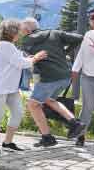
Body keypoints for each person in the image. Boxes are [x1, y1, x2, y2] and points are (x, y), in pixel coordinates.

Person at [0, 19, 47, 153]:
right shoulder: (5, 45)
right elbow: (21, 63)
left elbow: (18, 61)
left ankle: (7, 142)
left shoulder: (9, 46)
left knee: (18, 113)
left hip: (10, 87)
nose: (20, 32)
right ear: (13, 32)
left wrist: (29, 58)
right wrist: (35, 58)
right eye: (19, 30)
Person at [20, 17, 84, 146]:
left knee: (33, 105)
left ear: (27, 30)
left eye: (22, 30)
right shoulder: (55, 32)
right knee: (49, 100)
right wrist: (65, 51)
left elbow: (31, 61)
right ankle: (74, 123)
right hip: (66, 76)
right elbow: (79, 38)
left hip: (49, 78)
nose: (21, 32)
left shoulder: (27, 41)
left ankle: (47, 137)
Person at [70, 11, 94, 146]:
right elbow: (81, 53)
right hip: (88, 76)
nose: (92, 23)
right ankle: (80, 136)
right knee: (88, 107)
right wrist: (75, 69)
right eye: (92, 21)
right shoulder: (89, 34)